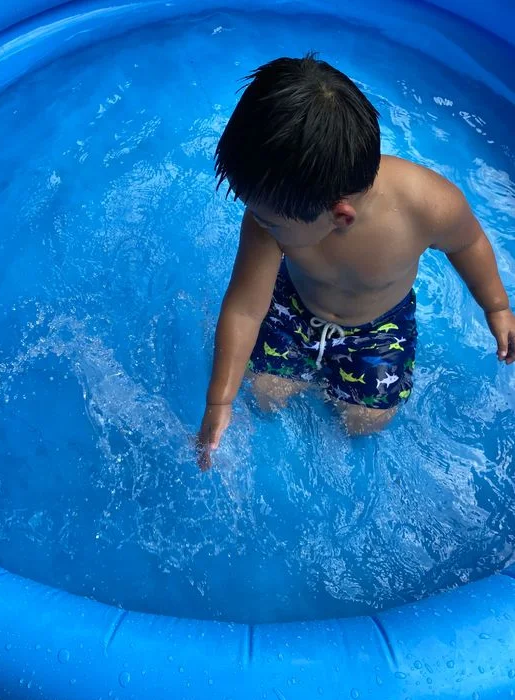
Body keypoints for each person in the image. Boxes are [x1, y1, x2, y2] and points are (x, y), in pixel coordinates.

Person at [196, 54, 515, 471]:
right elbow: (244, 307)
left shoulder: (427, 206)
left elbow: (469, 244)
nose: (256, 222)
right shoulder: (271, 215)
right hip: (294, 306)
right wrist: (219, 400)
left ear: (339, 216)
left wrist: (496, 306)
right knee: (266, 394)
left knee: (367, 422)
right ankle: (299, 375)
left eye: (268, 219)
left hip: (380, 327)